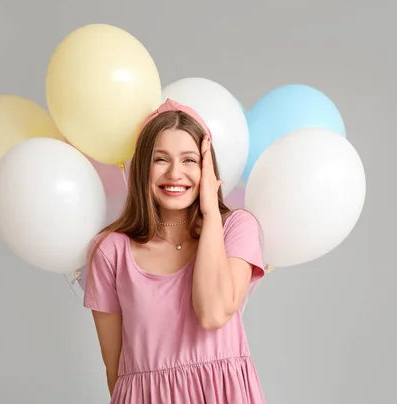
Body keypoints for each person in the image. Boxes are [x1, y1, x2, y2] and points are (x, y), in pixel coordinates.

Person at [83, 98, 266, 403]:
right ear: (143, 167)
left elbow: (213, 313)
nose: (175, 174)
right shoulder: (110, 251)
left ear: (208, 169)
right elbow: (116, 372)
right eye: (161, 159)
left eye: (189, 160)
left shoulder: (235, 229)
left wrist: (209, 211)